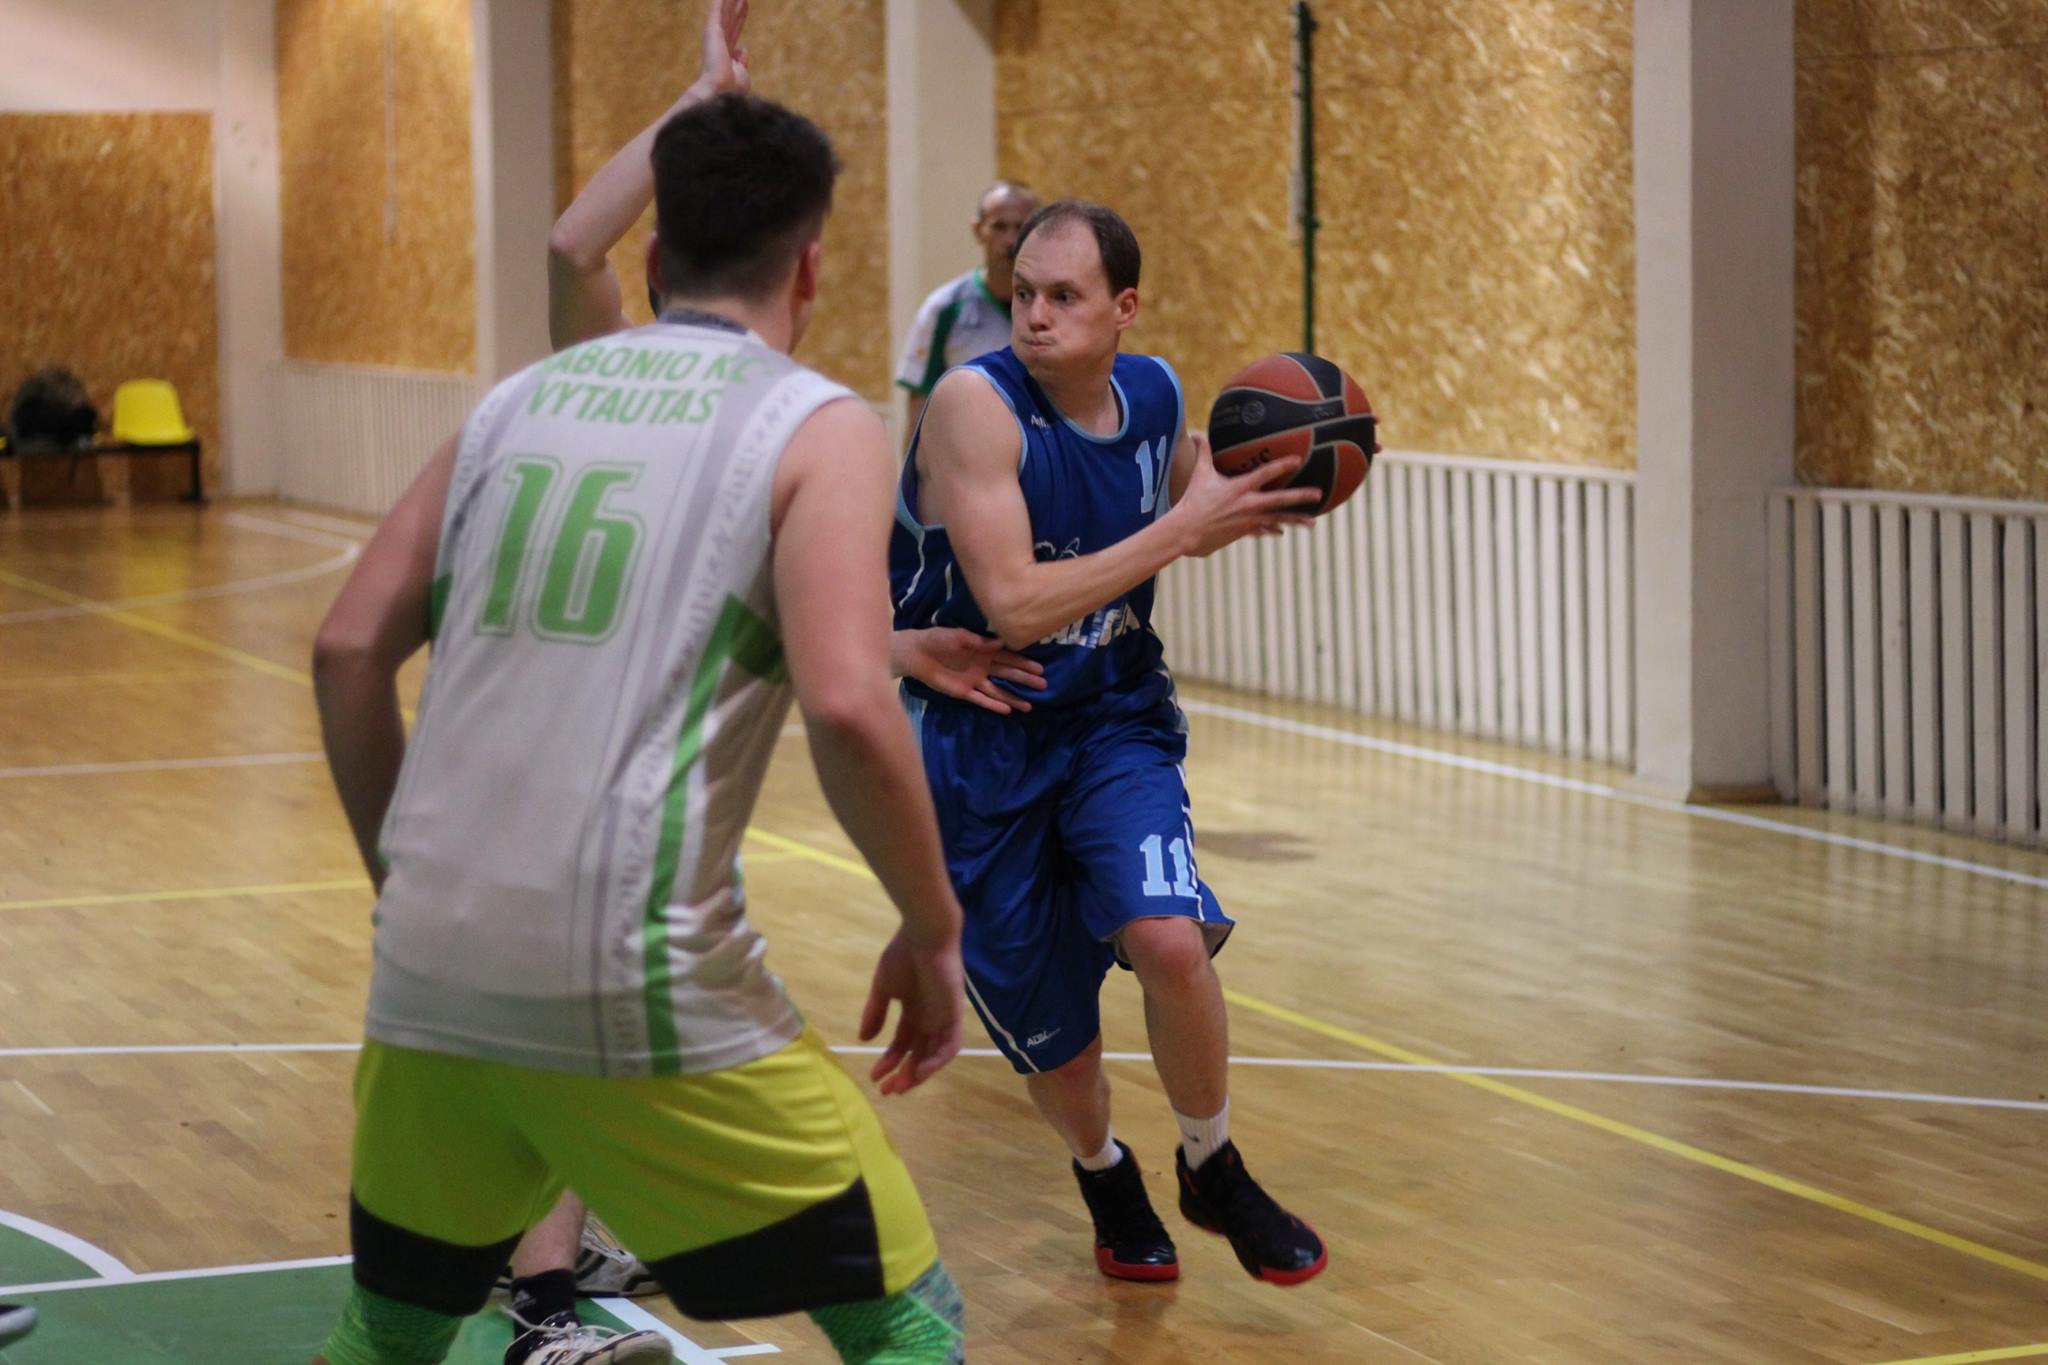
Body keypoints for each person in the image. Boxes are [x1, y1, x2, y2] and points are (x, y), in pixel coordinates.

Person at [309, 81, 971, 1365]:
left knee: (388, 1334)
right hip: (632, 974)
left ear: (657, 255)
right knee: (905, 1320)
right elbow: (846, 700)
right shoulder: (817, 425)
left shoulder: (513, 404)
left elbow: (346, 649)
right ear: (810, 265)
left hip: (429, 968)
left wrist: (408, 881)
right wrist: (932, 926)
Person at [890, 199, 1328, 1287]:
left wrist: (1263, 487)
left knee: (1170, 941)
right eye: (1023, 294)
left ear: (1122, 308)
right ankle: (1103, 1170)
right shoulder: (972, 405)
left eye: (1063, 296)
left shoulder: (1157, 393)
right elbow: (1014, 602)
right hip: (978, 745)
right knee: (1062, 1044)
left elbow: (1181, 500)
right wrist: (1182, 529)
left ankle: (1211, 1162)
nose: (1033, 315)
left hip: (1110, 717)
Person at [895, 182, 1039, 445]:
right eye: (999, 226)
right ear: (978, 230)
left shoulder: (1058, 308)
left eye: (1021, 227)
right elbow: (919, 411)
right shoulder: (945, 308)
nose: (1011, 240)